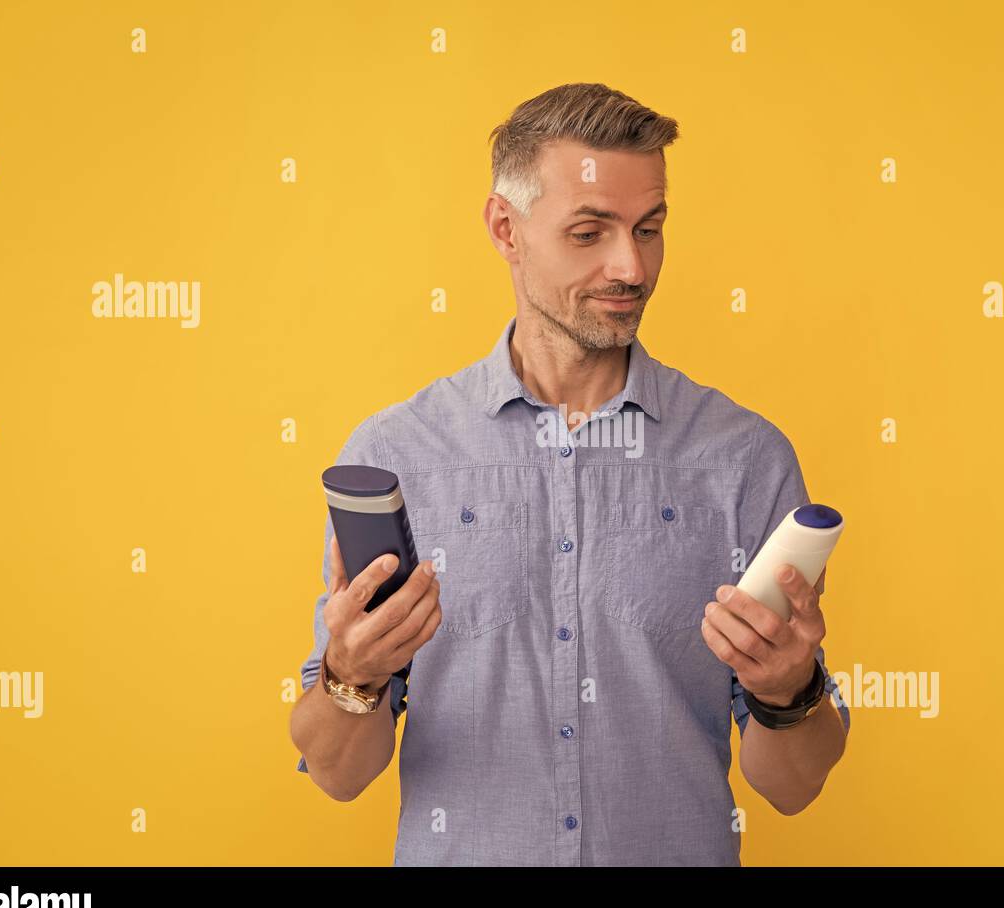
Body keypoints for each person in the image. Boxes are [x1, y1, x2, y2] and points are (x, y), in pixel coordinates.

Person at [290, 82, 850, 866]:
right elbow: (336, 772)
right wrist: (352, 673)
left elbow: (793, 787)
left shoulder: (745, 458)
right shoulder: (399, 455)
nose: (631, 265)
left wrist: (791, 693)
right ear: (505, 229)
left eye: (649, 229)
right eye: (589, 232)